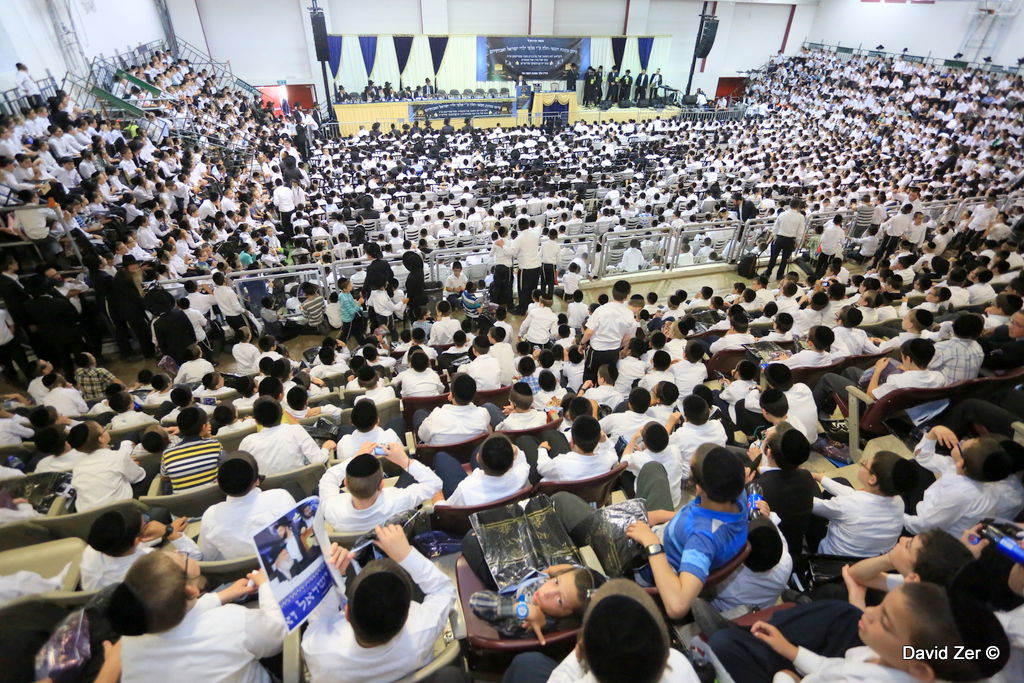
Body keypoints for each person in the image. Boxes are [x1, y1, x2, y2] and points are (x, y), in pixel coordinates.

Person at [301, 527, 456, 683]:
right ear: (407, 614)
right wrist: (406, 554)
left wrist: (334, 577)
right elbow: (444, 590)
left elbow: (320, 619)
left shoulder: (317, 650)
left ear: (347, 613)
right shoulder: (423, 628)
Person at [107, 551, 286, 682]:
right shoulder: (230, 620)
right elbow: (278, 633)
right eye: (181, 557)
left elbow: (185, 616)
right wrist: (265, 586)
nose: (179, 551)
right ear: (191, 590)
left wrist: (220, 596)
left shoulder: (131, 639)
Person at [625, 446, 749, 620]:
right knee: (653, 468)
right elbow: (705, 518)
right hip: (661, 530)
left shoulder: (702, 540)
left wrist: (651, 543)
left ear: (699, 489)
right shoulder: (737, 494)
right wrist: (664, 515)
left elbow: (677, 607)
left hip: (645, 565)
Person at [319, 445, 441, 534]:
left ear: (345, 483)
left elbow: (328, 478)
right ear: (382, 484)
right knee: (409, 474)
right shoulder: (399, 499)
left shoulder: (332, 508)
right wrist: (405, 461)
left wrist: (355, 458)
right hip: (393, 547)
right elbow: (435, 483)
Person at [198, 452, 297, 561]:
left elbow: (208, 560)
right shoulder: (280, 498)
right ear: (257, 481)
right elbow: (296, 538)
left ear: (219, 484)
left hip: (239, 576)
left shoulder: (210, 517)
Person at [81, 507, 200, 590]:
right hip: (161, 598)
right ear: (137, 539)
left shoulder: (90, 550)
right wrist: (169, 532)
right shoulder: (151, 560)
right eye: (146, 523)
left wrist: (163, 531)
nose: (148, 521)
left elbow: (129, 549)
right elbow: (196, 557)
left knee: (159, 512)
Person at [239, 397, 335, 474]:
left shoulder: (247, 443)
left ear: (256, 421)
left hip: (267, 491)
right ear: (282, 415)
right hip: (303, 488)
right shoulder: (296, 430)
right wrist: (326, 447)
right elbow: (318, 460)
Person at [581, 280, 636, 382]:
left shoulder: (601, 310)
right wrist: (617, 346)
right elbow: (627, 338)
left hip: (596, 351)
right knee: (608, 379)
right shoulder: (629, 314)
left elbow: (589, 332)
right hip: (613, 352)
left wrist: (582, 343)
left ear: (612, 292)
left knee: (590, 378)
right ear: (627, 295)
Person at [159, 406, 223, 493]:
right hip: (213, 498)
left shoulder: (167, 454)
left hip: (183, 503)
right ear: (204, 427)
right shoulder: (214, 445)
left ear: (179, 428)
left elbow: (164, 478)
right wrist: (208, 437)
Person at [762, 199, 804, 281]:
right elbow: (800, 231)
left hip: (779, 238)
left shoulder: (782, 214)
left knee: (773, 257)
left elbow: (775, 227)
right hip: (790, 240)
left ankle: (767, 273)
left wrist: (774, 237)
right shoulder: (801, 217)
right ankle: (779, 275)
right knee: (785, 259)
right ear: (798, 206)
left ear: (789, 205)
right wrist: (798, 242)